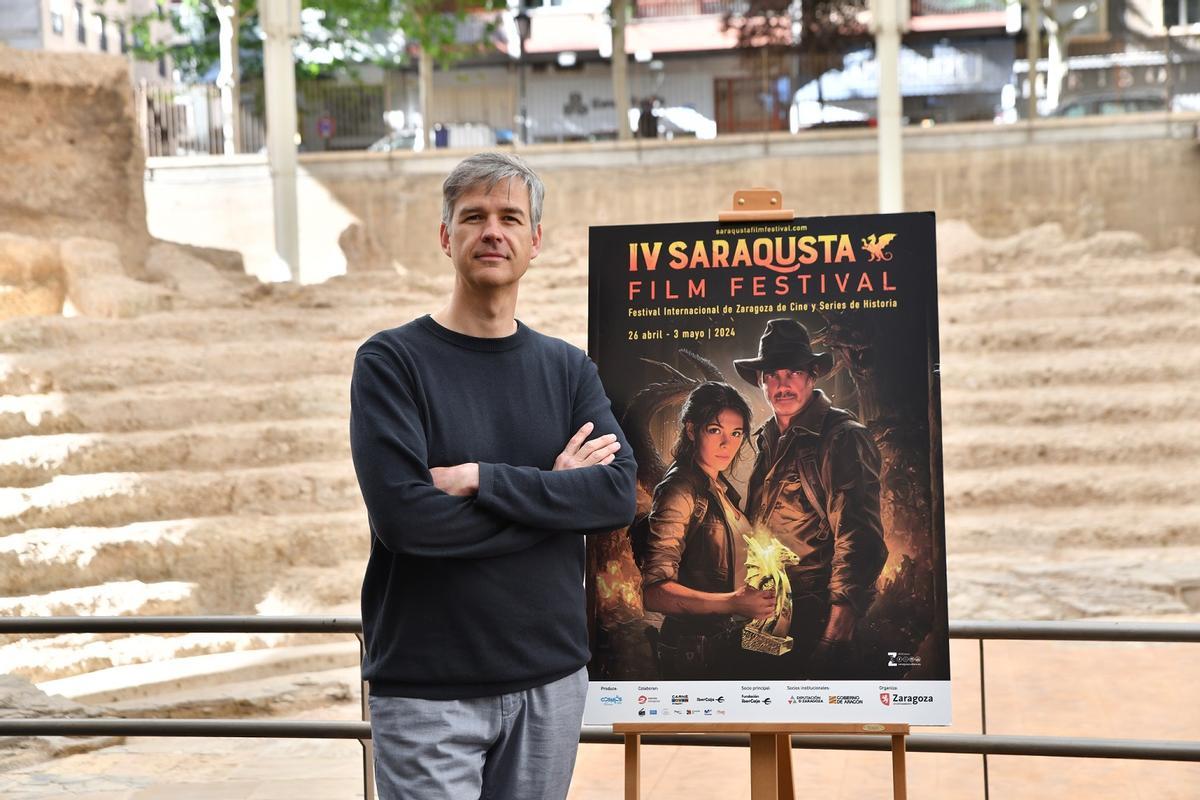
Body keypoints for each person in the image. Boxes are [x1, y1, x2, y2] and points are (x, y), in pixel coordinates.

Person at [349, 152, 638, 800]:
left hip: (550, 681)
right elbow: (408, 523)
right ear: (445, 235)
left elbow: (616, 494)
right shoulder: (391, 363)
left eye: (510, 217)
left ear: (534, 241)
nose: (492, 231)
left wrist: (484, 479)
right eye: (473, 216)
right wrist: (555, 496)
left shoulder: (568, 370)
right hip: (429, 688)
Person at [732, 318, 888, 677]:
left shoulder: (842, 438)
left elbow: (859, 538)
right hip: (772, 618)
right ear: (761, 381)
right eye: (772, 374)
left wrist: (833, 640)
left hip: (818, 621)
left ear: (811, 376)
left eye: (793, 373)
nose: (782, 384)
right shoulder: (767, 438)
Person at [639, 381, 776, 678]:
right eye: (715, 431)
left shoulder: (722, 491)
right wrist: (733, 602)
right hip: (696, 651)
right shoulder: (680, 490)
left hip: (728, 644)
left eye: (736, 433)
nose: (727, 444)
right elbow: (653, 593)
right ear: (691, 430)